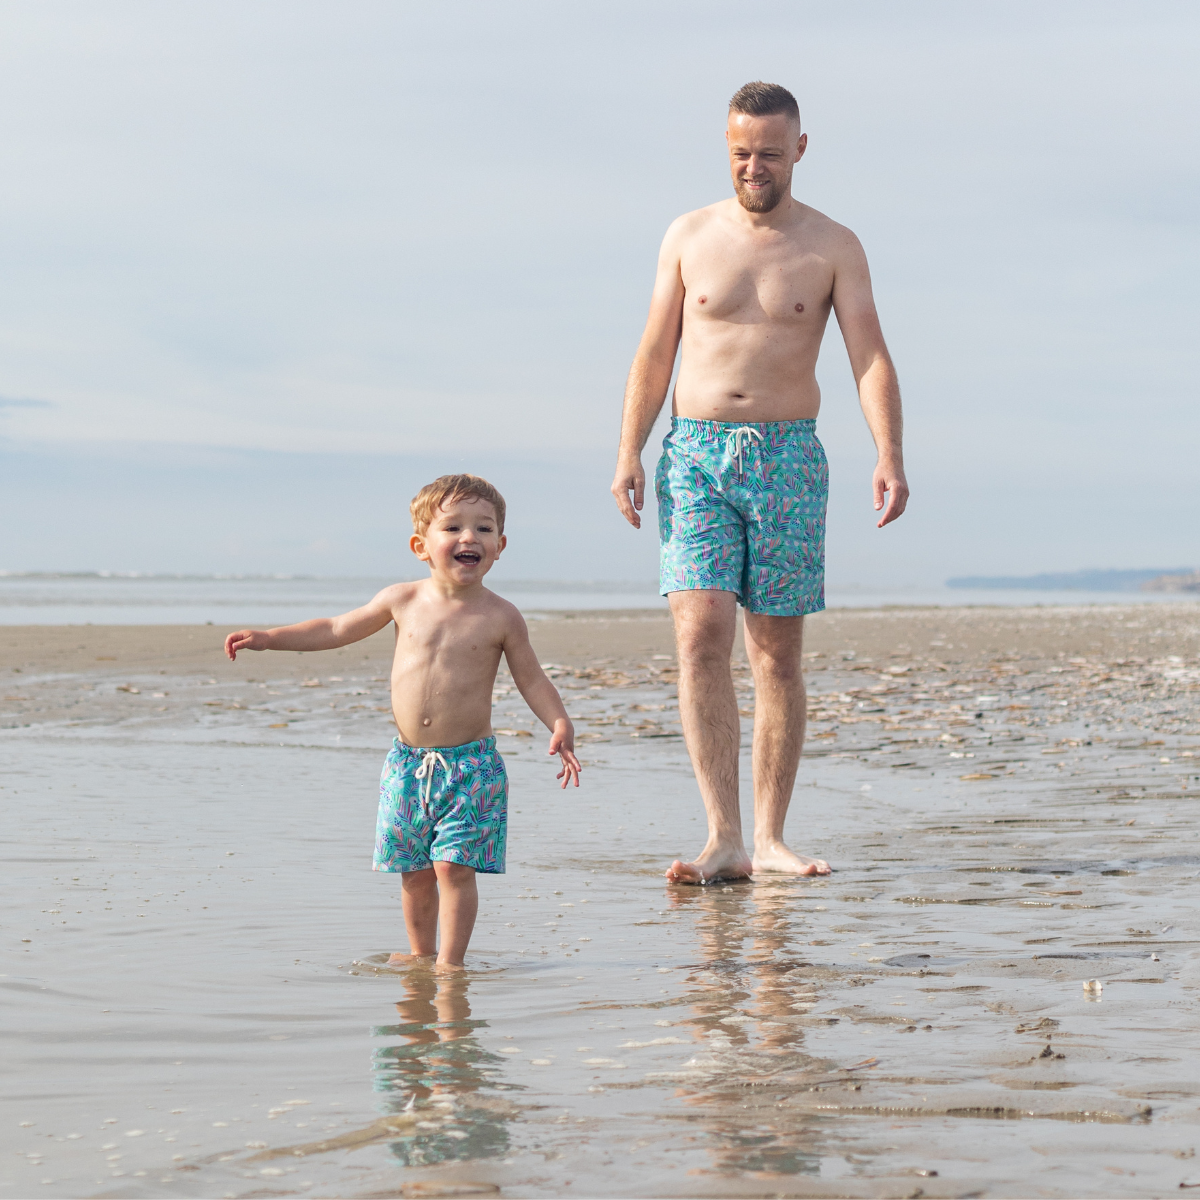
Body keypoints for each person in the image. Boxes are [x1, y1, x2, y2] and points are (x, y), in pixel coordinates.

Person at [611, 81, 908, 885]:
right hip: (696, 454)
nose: (755, 167)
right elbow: (654, 352)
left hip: (788, 458)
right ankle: (722, 838)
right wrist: (630, 451)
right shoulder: (689, 234)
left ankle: (770, 839)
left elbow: (869, 355)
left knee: (775, 655)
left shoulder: (833, 245)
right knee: (699, 633)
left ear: (800, 150)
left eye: (770, 154)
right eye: (742, 152)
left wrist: (889, 452)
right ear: (727, 146)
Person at [224, 473, 582, 967]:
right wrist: (270, 637)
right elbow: (333, 629)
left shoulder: (502, 616)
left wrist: (558, 722)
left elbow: (533, 679)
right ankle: (421, 955)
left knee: (454, 867)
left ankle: (450, 965)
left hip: (470, 768)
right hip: (407, 766)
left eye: (483, 528)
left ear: (500, 545)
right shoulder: (401, 600)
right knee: (413, 872)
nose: (468, 538)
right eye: (452, 527)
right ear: (421, 545)